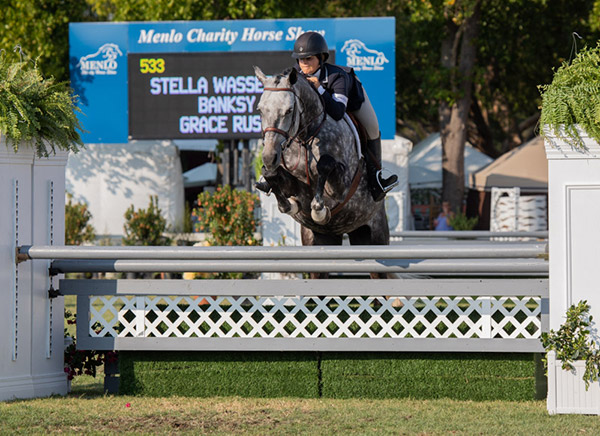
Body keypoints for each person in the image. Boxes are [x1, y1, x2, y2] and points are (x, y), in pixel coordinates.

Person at [256, 31, 398, 202]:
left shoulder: (337, 76)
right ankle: (271, 175)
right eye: (302, 59)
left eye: (309, 59)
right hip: (316, 113)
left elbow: (338, 112)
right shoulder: (295, 76)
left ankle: (377, 179)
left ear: (321, 58)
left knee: (372, 128)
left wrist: (320, 88)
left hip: (352, 103)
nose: (305, 64)